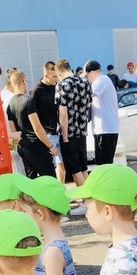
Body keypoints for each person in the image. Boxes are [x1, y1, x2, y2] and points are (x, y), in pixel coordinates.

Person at [6, 71, 58, 179]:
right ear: (23, 82)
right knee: (49, 178)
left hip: (23, 147)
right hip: (37, 145)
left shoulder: (10, 105)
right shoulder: (28, 101)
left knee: (31, 181)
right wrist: (51, 146)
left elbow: (14, 131)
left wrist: (16, 149)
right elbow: (37, 128)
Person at [55, 59, 92, 204]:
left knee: (75, 170)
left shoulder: (62, 85)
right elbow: (89, 105)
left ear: (59, 72)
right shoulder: (85, 82)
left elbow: (63, 113)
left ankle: (86, 202)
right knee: (83, 168)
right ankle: (92, 199)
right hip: (82, 130)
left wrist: (64, 136)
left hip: (69, 133)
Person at [32, 61, 66, 183]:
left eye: (57, 75)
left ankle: (60, 190)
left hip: (59, 131)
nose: (56, 79)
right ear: (45, 76)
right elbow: (32, 115)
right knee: (52, 168)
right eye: (53, 76)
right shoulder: (37, 91)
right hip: (47, 134)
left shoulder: (57, 87)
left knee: (62, 168)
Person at [85, 60, 120, 165]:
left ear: (92, 72)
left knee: (104, 164)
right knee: (104, 163)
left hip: (105, 129)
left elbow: (86, 94)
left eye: (87, 76)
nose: (87, 79)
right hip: (106, 129)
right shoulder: (104, 81)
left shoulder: (101, 80)